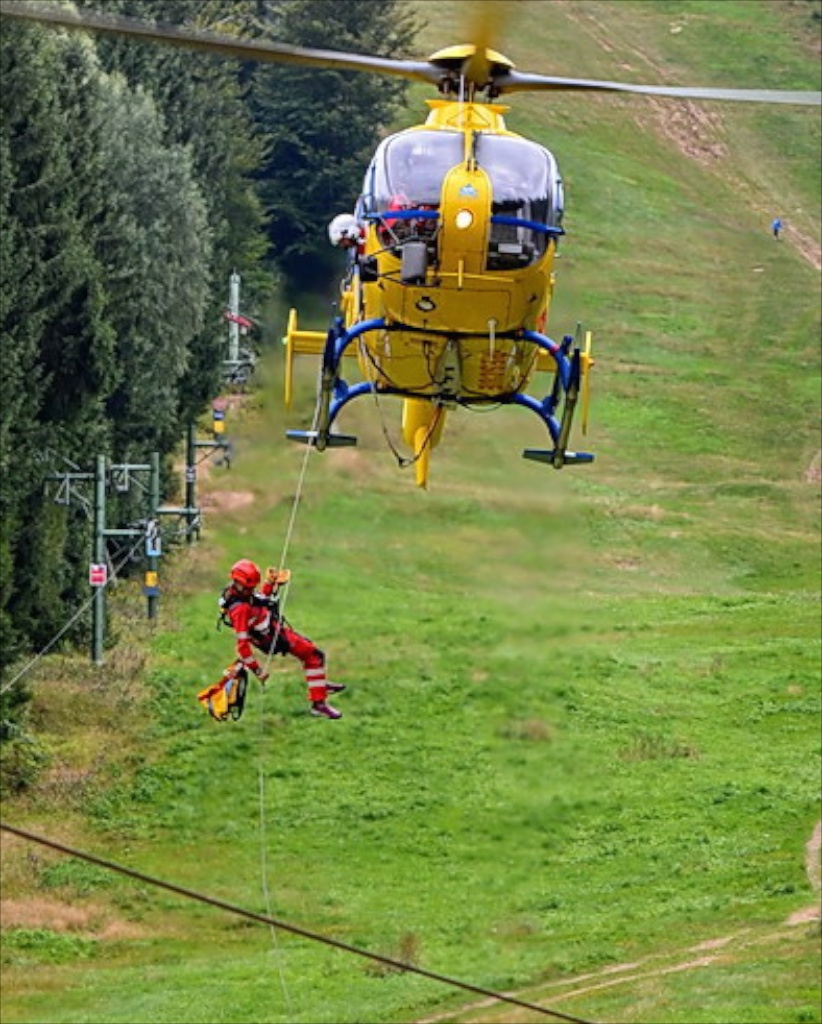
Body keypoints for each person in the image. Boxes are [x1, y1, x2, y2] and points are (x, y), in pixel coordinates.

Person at [220, 558, 345, 720]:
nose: (251, 590)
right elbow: (242, 645)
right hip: (273, 638)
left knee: (312, 652)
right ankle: (318, 704)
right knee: (314, 656)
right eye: (249, 587)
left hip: (274, 629)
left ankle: (319, 685)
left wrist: (271, 584)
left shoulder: (241, 593)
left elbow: (260, 601)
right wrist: (257, 670)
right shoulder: (240, 609)